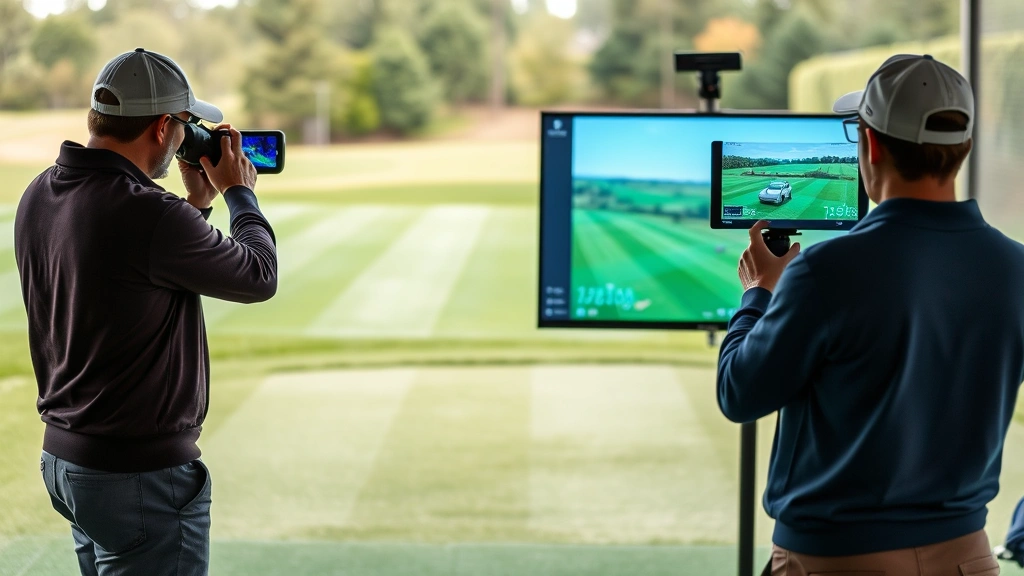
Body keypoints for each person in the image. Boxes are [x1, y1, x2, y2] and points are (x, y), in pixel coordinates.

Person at [717, 54, 1021, 575]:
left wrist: (759, 294)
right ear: (963, 147)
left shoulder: (824, 270)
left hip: (835, 561)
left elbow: (739, 393)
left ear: (870, 143)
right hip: (969, 557)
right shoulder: (1016, 267)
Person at [14, 48, 277, 576]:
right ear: (162, 128)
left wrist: (195, 207)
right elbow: (257, 276)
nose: (186, 137)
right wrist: (239, 193)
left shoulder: (41, 192)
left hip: (69, 463)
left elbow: (134, 273)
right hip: (139, 476)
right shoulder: (149, 213)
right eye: (184, 125)